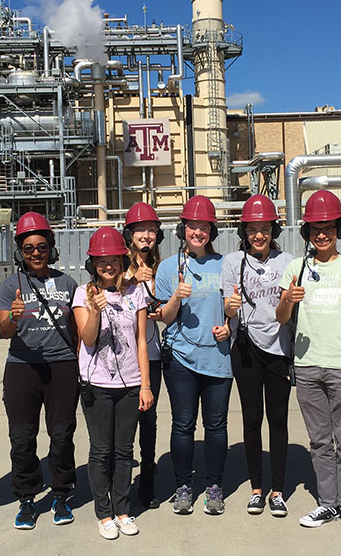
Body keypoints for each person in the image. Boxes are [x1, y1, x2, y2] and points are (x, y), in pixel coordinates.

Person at [276, 190, 341, 536]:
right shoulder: (295, 268)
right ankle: (328, 502)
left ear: (338, 230)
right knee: (319, 441)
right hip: (306, 367)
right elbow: (281, 317)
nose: (322, 234)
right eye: (316, 228)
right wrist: (288, 298)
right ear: (307, 232)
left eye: (328, 227)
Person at [0, 212, 79, 530]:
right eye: (28, 248)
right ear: (20, 252)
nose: (36, 253)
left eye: (41, 247)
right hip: (22, 368)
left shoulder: (68, 283)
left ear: (51, 248)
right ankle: (27, 499)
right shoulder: (9, 286)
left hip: (61, 367)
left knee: (61, 436)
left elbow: (77, 331)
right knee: (22, 438)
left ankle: (60, 495)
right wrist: (13, 316)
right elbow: (3, 331)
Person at [73, 227, 154, 539]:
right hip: (96, 385)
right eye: (101, 261)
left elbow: (141, 342)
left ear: (123, 260)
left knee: (124, 450)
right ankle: (103, 512)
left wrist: (145, 384)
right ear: (92, 264)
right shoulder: (84, 294)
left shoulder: (137, 293)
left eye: (114, 260)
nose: (108, 266)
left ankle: (122, 509)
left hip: (131, 384)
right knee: (101, 449)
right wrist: (94, 311)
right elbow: (88, 338)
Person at [156, 195, 232, 516]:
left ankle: (214, 487)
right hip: (180, 359)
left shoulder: (225, 264)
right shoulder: (168, 267)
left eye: (203, 227)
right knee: (183, 425)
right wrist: (175, 295)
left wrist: (229, 326)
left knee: (216, 426)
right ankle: (183, 486)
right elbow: (164, 316)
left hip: (218, 357)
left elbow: (233, 308)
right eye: (192, 227)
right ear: (182, 230)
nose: (197, 232)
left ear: (211, 231)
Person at [221, 194, 294, 518]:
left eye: (264, 229)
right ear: (244, 231)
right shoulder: (231, 263)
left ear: (273, 230)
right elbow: (227, 307)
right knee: (251, 420)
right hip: (246, 349)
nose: (259, 235)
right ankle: (256, 488)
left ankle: (278, 490)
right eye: (253, 229)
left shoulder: (286, 262)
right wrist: (230, 307)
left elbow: (291, 309)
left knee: (278, 420)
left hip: (278, 350)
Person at [121, 202, 165, 508]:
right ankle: (121, 479)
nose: (146, 236)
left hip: (151, 353)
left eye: (151, 230)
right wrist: (133, 278)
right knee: (124, 422)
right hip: (121, 357)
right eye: (140, 230)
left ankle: (147, 478)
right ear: (130, 234)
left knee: (148, 420)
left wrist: (161, 312)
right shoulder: (118, 267)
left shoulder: (162, 269)